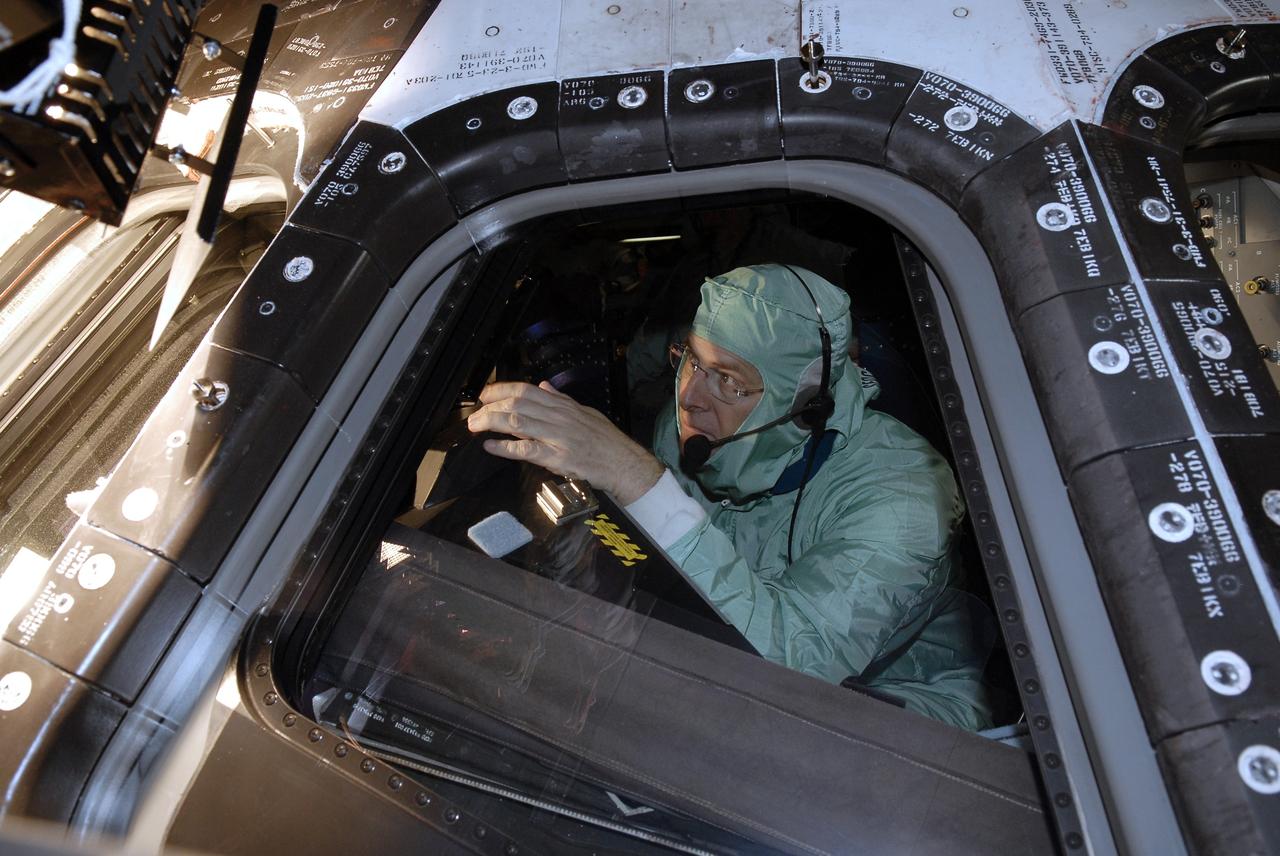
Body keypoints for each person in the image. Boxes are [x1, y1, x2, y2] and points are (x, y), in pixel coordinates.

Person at [467, 264, 993, 729]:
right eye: (692, 361)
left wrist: (638, 479)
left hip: (890, 704)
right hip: (716, 657)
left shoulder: (903, 497)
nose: (691, 398)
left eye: (729, 381)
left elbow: (792, 666)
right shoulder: (687, 433)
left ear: (806, 406)